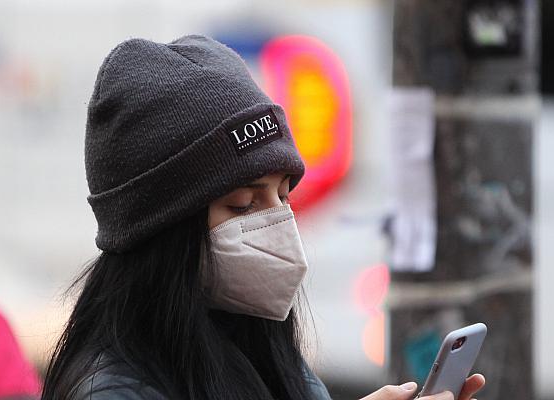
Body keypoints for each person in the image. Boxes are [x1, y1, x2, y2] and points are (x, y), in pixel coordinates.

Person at [40, 35, 485, 400]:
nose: (280, 224)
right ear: (164, 228)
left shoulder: (270, 357)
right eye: (244, 205)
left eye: (284, 195)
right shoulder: (113, 390)